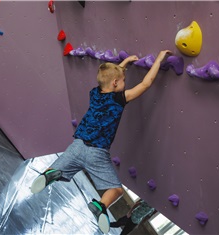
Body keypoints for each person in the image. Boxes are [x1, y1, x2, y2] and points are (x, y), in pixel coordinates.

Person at [30, 49, 172, 234]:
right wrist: (159, 59)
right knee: (115, 190)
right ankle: (100, 205)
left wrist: (125, 64)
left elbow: (110, 77)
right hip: (97, 151)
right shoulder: (120, 99)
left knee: (62, 169)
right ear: (115, 83)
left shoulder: (96, 92)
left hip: (77, 144)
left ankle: (50, 173)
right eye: (123, 81)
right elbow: (146, 84)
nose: (124, 83)